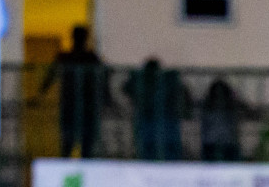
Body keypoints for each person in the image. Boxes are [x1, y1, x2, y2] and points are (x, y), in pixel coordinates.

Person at [37, 25, 109, 159]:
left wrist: (40, 95)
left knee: (76, 145)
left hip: (81, 107)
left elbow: (50, 77)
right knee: (74, 145)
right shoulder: (84, 58)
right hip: (77, 107)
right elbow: (50, 77)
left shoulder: (85, 58)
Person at [122, 58, 190, 160]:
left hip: (164, 120)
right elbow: (126, 88)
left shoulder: (168, 82)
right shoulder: (141, 82)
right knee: (148, 148)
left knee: (166, 148)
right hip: (148, 119)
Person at [199, 78, 251, 161]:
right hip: (215, 142)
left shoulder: (231, 104)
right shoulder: (207, 105)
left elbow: (249, 113)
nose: (219, 96)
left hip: (226, 142)